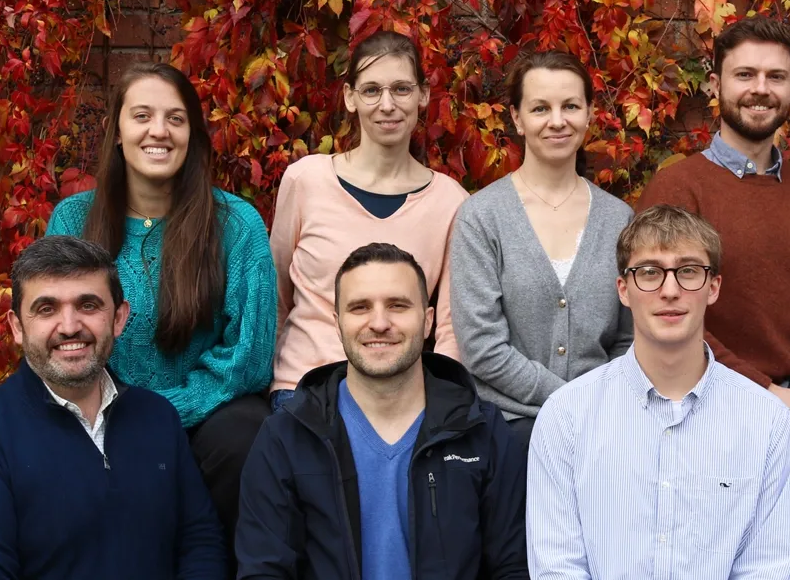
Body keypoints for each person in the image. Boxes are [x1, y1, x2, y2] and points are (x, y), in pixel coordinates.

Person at [46, 62, 277, 547]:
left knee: (249, 431)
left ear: (192, 133)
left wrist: (163, 410)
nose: (159, 131)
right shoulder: (73, 218)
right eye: (143, 116)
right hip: (101, 414)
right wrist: (114, 412)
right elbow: (57, 330)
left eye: (175, 118)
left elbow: (248, 358)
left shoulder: (236, 224)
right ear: (118, 131)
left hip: (211, 424)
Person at [0, 236, 225, 580]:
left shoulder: (157, 418)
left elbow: (200, 543)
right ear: (17, 327)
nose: (69, 327)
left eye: (88, 305)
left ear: (119, 318)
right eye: (47, 309)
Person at [527, 205, 790, 579]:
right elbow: (557, 568)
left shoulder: (767, 422)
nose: (670, 291)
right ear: (623, 289)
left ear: (713, 287)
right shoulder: (567, 417)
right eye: (650, 272)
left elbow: (765, 568)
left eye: (688, 271)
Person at [237, 243, 528, 579]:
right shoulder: (287, 437)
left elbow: (513, 567)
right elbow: (264, 570)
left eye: (397, 305)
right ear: (338, 323)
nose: (379, 323)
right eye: (360, 307)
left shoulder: (481, 431)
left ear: (428, 320)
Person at [635, 17, 790, 410]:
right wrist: (766, 393)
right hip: (708, 406)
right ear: (716, 85)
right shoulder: (678, 190)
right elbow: (665, 312)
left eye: (776, 76)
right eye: (745, 74)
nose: (761, 89)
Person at [270, 31, 468, 409]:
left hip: (401, 399)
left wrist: (445, 405)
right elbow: (278, 297)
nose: (387, 104)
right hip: (303, 389)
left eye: (402, 89)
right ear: (350, 98)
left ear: (423, 95)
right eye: (372, 90)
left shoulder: (450, 202)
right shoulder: (306, 180)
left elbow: (449, 328)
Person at [449, 51, 635, 447]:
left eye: (570, 106)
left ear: (588, 114)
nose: (557, 121)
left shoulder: (619, 220)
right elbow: (481, 347)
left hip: (603, 430)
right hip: (506, 432)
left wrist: (598, 405)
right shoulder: (481, 218)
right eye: (540, 108)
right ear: (516, 118)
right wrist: (569, 402)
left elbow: (629, 338)